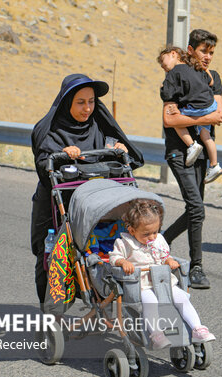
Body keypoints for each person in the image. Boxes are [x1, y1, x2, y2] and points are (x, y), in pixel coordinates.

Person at [30, 73, 144, 305]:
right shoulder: (50, 130)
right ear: (67, 102)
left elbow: (118, 155)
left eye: (91, 101)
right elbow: (43, 164)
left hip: (93, 201)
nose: (87, 108)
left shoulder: (98, 127)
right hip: (56, 201)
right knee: (47, 255)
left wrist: (118, 147)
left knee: (101, 246)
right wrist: (63, 154)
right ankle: (49, 309)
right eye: (80, 102)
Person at [160, 29, 222, 289]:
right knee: (197, 208)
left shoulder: (214, 78)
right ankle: (196, 266)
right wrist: (206, 119)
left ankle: (162, 242)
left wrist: (203, 119)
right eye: (203, 51)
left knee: (194, 210)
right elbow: (169, 119)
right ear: (190, 49)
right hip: (180, 152)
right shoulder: (177, 75)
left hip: (201, 154)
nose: (208, 57)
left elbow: (219, 114)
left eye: (211, 52)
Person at [109, 199, 215, 349]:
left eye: (155, 231)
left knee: (182, 298)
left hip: (163, 280)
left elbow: (164, 255)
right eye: (146, 234)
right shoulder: (125, 243)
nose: (152, 237)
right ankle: (157, 335)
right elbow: (113, 257)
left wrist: (169, 260)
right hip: (142, 284)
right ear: (132, 231)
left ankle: (197, 328)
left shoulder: (158, 240)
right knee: (150, 303)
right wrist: (122, 262)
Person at [158, 46, 222, 183]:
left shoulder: (175, 72)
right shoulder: (195, 68)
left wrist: (164, 89)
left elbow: (168, 98)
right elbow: (211, 81)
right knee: (206, 136)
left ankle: (192, 145)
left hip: (197, 107)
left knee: (176, 118)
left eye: (164, 64)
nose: (165, 69)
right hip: (210, 106)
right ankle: (214, 165)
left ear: (173, 54)